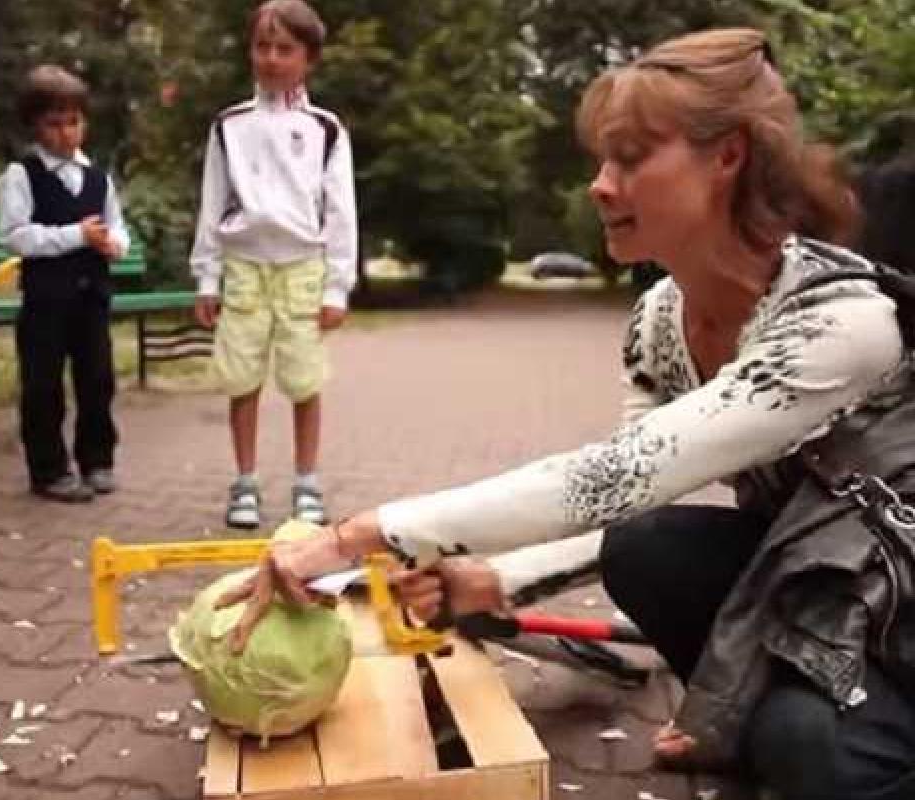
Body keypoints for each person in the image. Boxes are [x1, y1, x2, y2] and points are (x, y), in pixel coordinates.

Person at [217, 28, 915, 800]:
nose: (600, 185)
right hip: (820, 570)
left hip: (899, 600)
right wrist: (495, 580)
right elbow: (626, 502)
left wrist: (351, 537)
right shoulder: (658, 321)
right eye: (600, 160)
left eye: (632, 157)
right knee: (644, 552)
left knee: (806, 742)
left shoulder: (841, 323)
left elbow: (613, 476)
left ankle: (803, 731)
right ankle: (748, 722)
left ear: (729, 155)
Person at [190, 0, 358, 530]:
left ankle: (306, 482)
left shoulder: (325, 129)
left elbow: (341, 212)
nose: (271, 57)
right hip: (243, 269)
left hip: (302, 270)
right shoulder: (229, 125)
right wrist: (206, 277)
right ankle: (245, 482)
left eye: (285, 48)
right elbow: (212, 202)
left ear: (309, 57)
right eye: (262, 46)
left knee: (304, 380)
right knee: (243, 379)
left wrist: (337, 287)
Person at [0, 64, 130, 503]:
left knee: (97, 379)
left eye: (73, 121)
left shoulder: (98, 178)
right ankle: (49, 469)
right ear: (35, 127)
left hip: (91, 298)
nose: (66, 133)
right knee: (43, 384)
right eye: (54, 124)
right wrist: (75, 236)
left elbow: (117, 227)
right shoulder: (20, 176)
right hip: (45, 301)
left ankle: (97, 460)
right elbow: (16, 236)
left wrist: (114, 244)